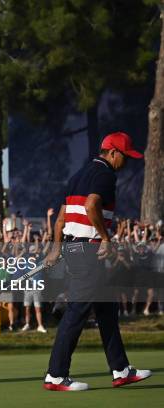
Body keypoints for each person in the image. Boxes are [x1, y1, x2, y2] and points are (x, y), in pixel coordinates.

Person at [43, 132, 151, 391]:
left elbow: (61, 219)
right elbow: (92, 205)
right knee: (77, 311)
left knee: (106, 310)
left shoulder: (78, 175)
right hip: (87, 252)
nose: (126, 162)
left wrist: (56, 249)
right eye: (125, 156)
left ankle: (120, 369)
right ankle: (56, 375)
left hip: (73, 248)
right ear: (113, 152)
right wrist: (106, 238)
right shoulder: (105, 175)